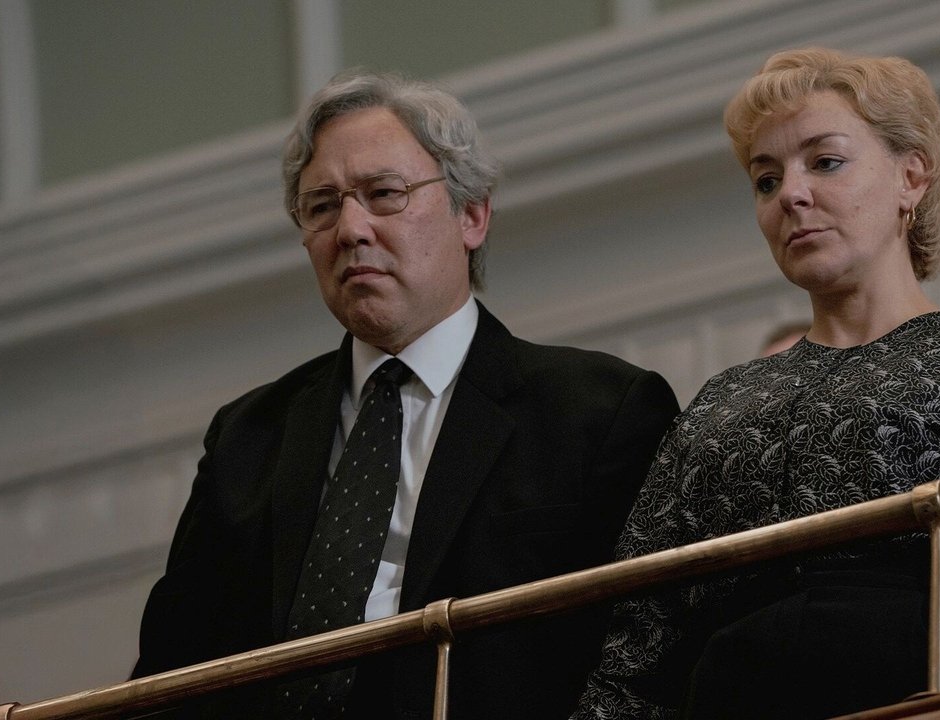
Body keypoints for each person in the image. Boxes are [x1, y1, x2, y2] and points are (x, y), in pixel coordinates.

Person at [131, 70, 681, 720]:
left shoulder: (601, 412)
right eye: (322, 206)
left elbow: (651, 659)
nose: (350, 229)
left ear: (471, 215)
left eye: (384, 194)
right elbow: (164, 679)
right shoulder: (246, 438)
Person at [574, 47, 940, 719]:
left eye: (825, 162)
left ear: (911, 177)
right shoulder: (719, 403)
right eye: (766, 180)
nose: (790, 195)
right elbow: (638, 648)